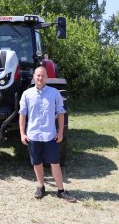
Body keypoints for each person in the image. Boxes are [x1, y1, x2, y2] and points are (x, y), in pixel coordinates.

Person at [19, 66, 77, 203]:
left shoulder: (54, 93)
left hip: (50, 135)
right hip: (33, 135)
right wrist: (22, 133)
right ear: (34, 76)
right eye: (38, 75)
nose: (40, 78)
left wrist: (60, 132)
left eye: (43, 76)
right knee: (37, 162)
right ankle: (40, 186)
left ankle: (61, 190)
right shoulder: (26, 94)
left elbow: (61, 113)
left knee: (55, 163)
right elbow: (22, 115)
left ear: (47, 77)